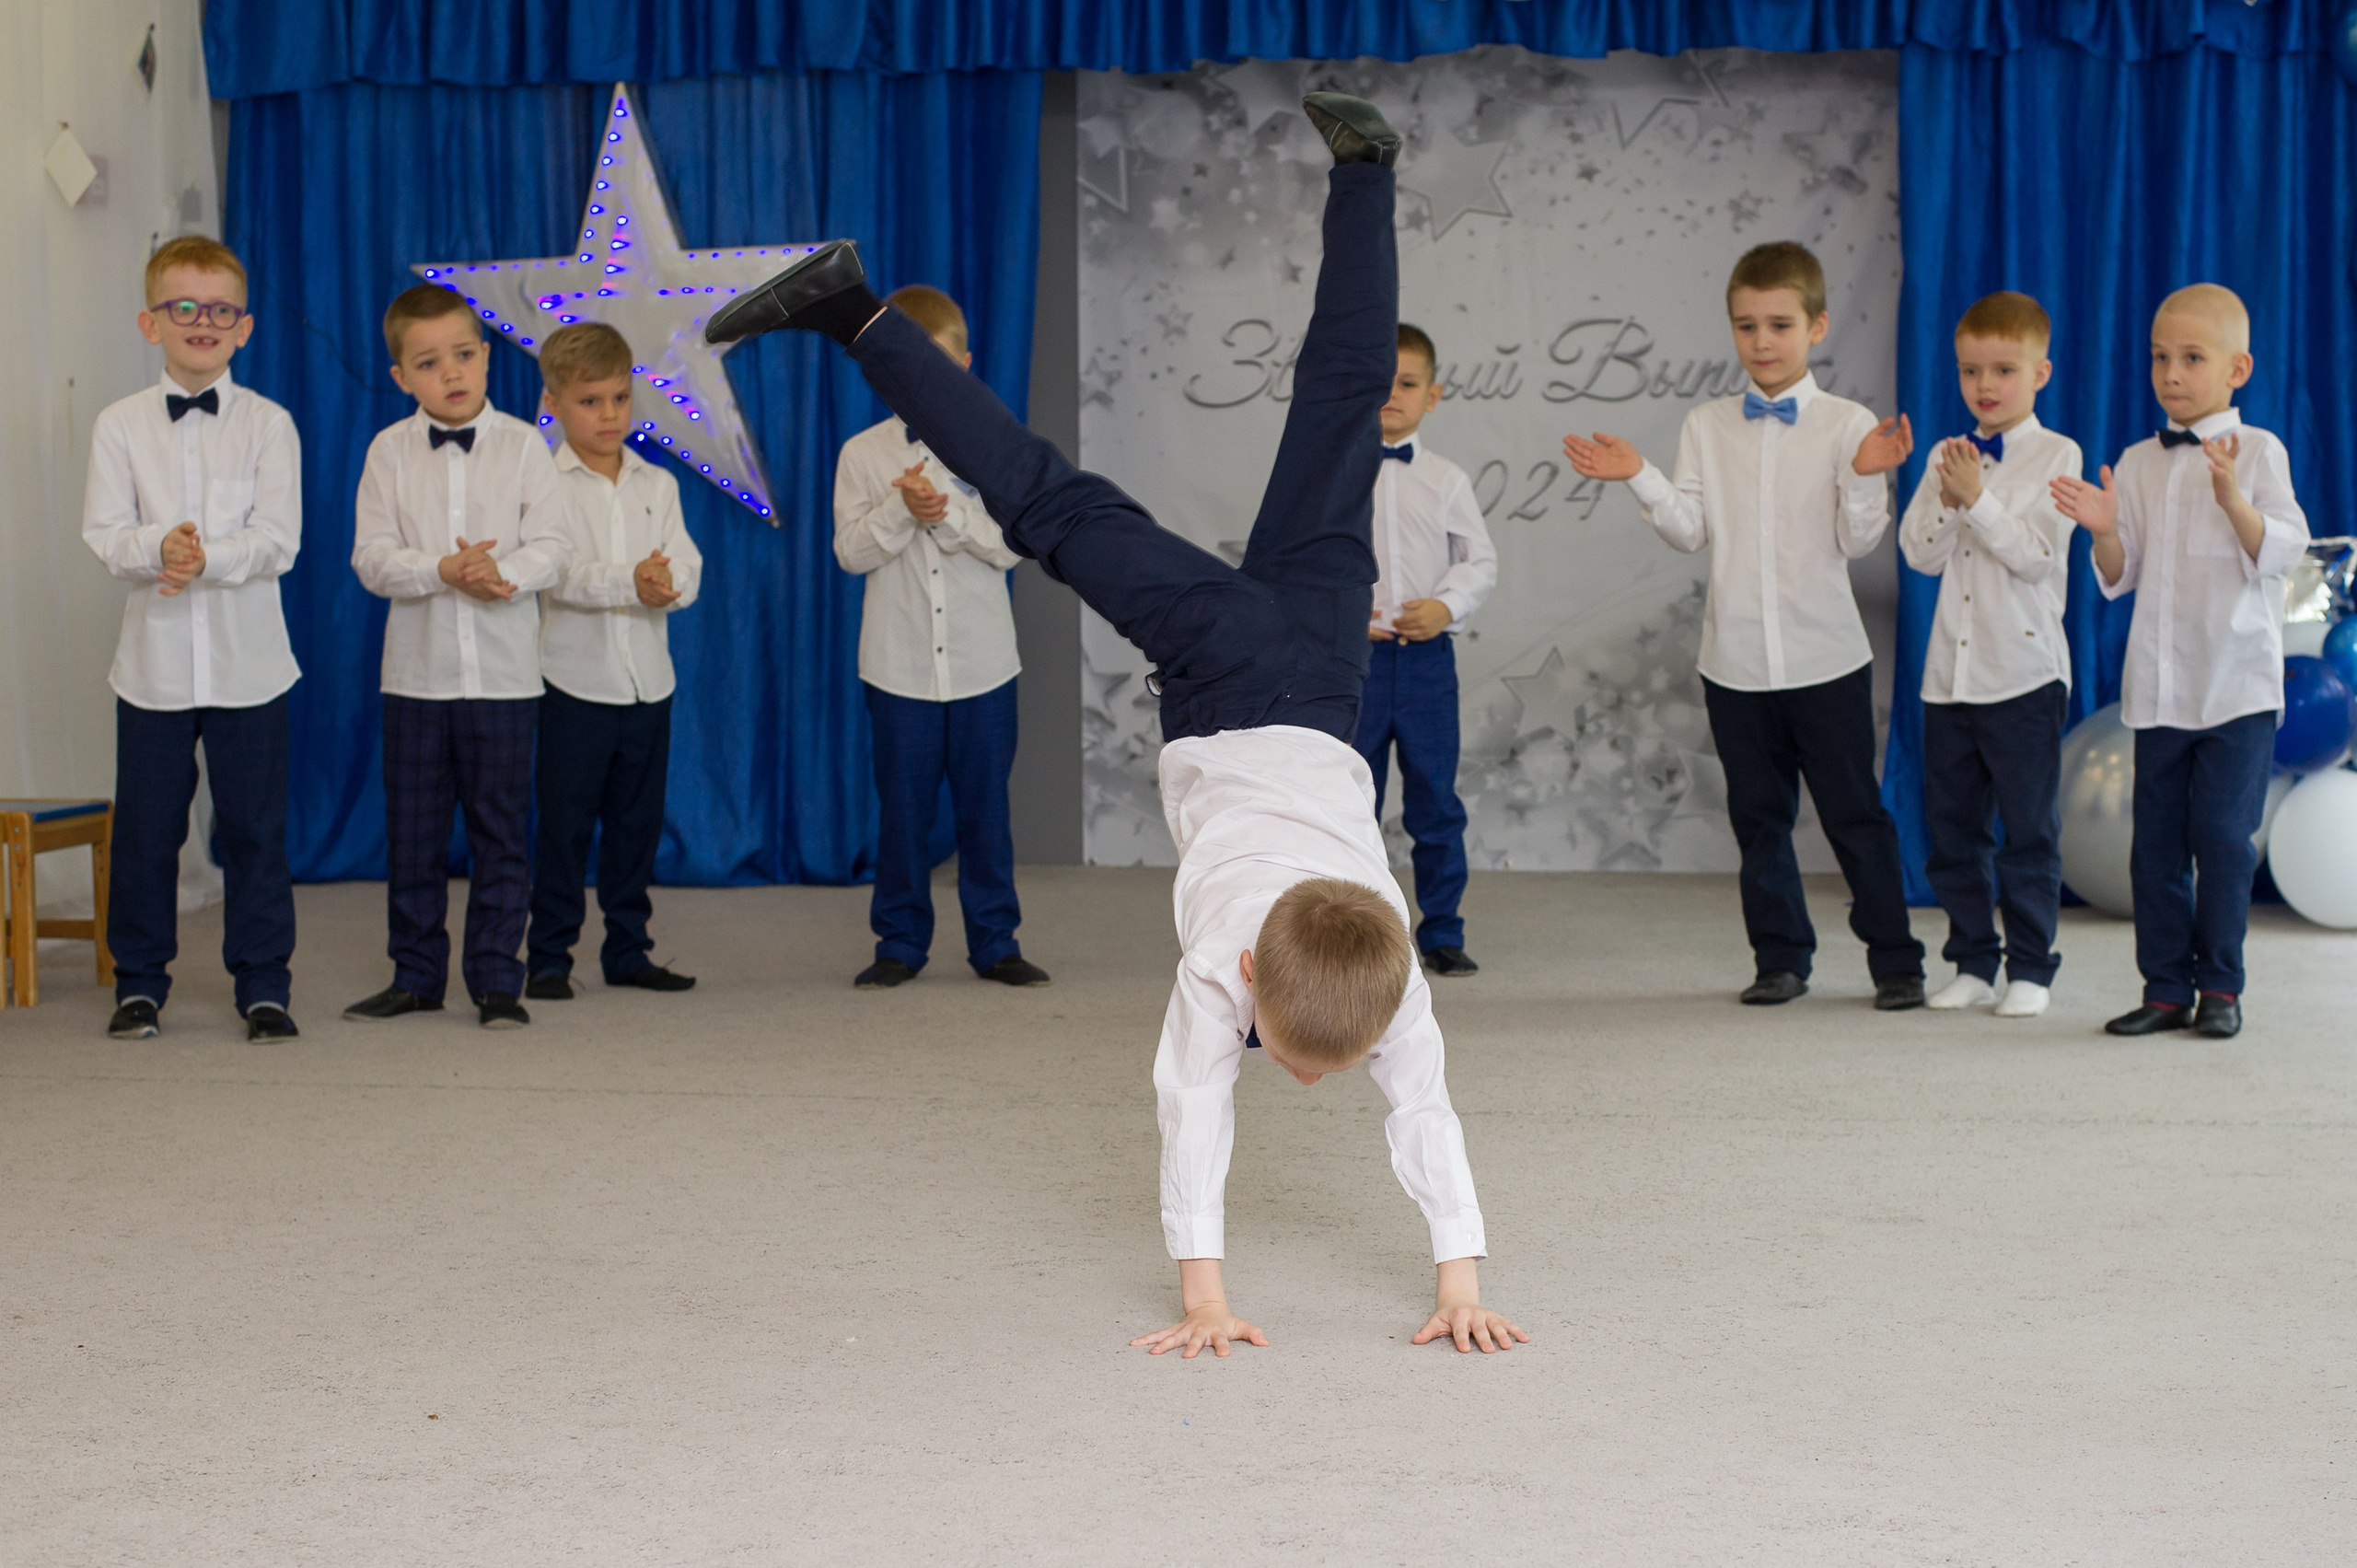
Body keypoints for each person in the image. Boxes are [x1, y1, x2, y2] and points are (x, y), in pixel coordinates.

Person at [707, 93, 1523, 1357]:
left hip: (1318, 677)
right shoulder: (1219, 975)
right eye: (1291, 1054)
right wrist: (1203, 1297)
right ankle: (846, 305)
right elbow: (1198, 1107)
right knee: (1044, 499)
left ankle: (1367, 171)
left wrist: (1460, 1278)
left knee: (1339, 407)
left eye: (1315, 1061)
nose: (1300, 1076)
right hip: (1233, 673)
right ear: (1248, 971)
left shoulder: (1383, 977)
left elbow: (1424, 1107)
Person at [1563, 242, 1928, 1011]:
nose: (1762, 341)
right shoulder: (1705, 424)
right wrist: (1641, 475)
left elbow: (1859, 541)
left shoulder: (1847, 424)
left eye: (1780, 324)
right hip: (1734, 664)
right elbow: (1690, 529)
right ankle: (1780, 958)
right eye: (1746, 325)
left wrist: (1867, 473)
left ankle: (1896, 959)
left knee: (1855, 813)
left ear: (1817, 327)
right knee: (1759, 818)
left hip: (1825, 658)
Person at [2051, 284, 2307, 1040]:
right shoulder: (2137, 461)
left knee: (2225, 842)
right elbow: (2119, 572)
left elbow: (2282, 553)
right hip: (2160, 690)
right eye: (2161, 356)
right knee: (2154, 846)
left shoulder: (2260, 452)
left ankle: (2221, 987)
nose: (2171, 372)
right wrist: (2101, 530)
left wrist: (2233, 498)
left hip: (2237, 687)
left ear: (2238, 368)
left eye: (2192, 358)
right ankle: (2165, 986)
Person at [82, 235, 302, 1042]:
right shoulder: (119, 425)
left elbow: (280, 539)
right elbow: (105, 532)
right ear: (151, 323)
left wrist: (206, 558)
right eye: (183, 308)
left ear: (242, 328)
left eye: (218, 311)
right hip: (154, 670)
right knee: (146, 832)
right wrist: (154, 549)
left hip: (252, 668)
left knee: (254, 829)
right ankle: (139, 984)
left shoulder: (271, 425)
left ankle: (264, 983)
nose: (200, 322)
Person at [344, 284, 571, 1029]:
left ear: (486, 356)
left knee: (502, 830)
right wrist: (440, 570)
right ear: (401, 376)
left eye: (465, 355)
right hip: (416, 677)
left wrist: (501, 577)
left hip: (504, 678)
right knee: (412, 834)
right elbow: (372, 558)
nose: (453, 372)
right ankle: (415, 975)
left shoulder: (524, 445)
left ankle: (497, 978)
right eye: (430, 361)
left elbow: (555, 546)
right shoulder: (388, 451)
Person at [832, 286, 1046, 992]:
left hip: (985, 665)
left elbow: (1011, 546)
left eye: (940, 365)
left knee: (986, 806)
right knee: (903, 808)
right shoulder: (862, 454)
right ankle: (899, 938)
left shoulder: (995, 442)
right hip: (897, 668)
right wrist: (900, 506)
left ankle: (996, 939)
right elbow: (851, 553)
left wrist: (944, 508)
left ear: (966, 362)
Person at [1898, 292, 2083, 1020]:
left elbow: (2038, 558)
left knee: (2028, 830)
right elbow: (1918, 554)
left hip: (2025, 676)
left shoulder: (2055, 453)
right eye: (1971, 370)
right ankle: (1972, 961)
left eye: (2004, 369)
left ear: (2040, 372)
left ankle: (2031, 968)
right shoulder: (1950, 454)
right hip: (1951, 678)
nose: (1986, 385)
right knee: (1953, 834)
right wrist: (1952, 495)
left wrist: (1979, 500)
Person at [522, 322, 702, 1001]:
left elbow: (687, 562)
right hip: (574, 683)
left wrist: (669, 584)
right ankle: (549, 954)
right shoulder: (544, 483)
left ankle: (628, 948)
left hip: (648, 684)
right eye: (591, 401)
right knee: (565, 826)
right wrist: (631, 580)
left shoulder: (656, 482)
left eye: (620, 399)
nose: (609, 415)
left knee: (636, 825)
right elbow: (555, 575)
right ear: (555, 404)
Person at [1354, 322, 1498, 978]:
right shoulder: (1333, 475)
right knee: (1352, 801)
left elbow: (1480, 560)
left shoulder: (1445, 478)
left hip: (1425, 664)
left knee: (1435, 800)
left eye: (1407, 384)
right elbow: (1310, 561)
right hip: (1353, 664)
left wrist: (1445, 606)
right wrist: (1343, 615)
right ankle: (1356, 931)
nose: (1393, 395)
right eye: (1380, 383)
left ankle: (1441, 928)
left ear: (1432, 396)